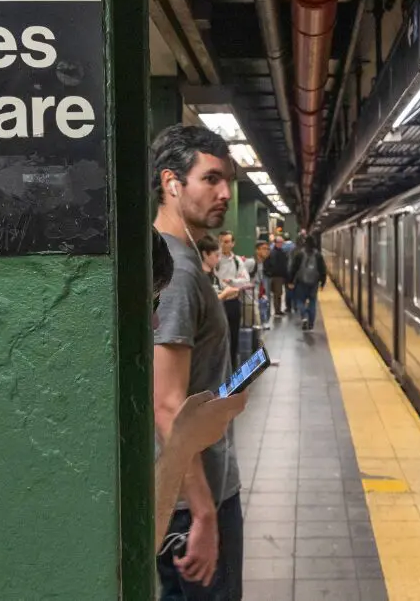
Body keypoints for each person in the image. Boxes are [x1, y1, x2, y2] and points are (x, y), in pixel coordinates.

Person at [151, 124, 245, 601]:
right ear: (172, 183)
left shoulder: (174, 260)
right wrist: (205, 512)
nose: (225, 192)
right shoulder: (180, 273)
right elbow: (166, 405)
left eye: (226, 180)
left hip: (190, 491)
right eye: (211, 179)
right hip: (195, 500)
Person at [213, 231, 250, 365]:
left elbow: (245, 280)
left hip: (233, 301)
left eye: (228, 241)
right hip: (218, 301)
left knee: (234, 334)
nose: (226, 244)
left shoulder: (237, 261)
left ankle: (232, 362)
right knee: (218, 335)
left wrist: (232, 282)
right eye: (223, 241)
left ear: (233, 243)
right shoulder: (215, 259)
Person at [288, 235, 328, 331]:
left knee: (300, 301)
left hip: (301, 282)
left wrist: (290, 281)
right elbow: (323, 270)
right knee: (312, 302)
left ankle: (304, 316)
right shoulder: (318, 255)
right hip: (314, 283)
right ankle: (311, 324)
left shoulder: (300, 254)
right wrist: (323, 283)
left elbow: (293, 268)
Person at [245, 240, 272, 330]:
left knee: (257, 328)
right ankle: (258, 344)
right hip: (249, 298)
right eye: (264, 249)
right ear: (257, 250)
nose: (267, 251)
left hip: (256, 296)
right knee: (256, 326)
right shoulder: (251, 262)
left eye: (268, 249)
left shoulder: (261, 263)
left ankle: (258, 344)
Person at [263, 234, 290, 318]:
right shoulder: (271, 252)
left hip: (279, 276)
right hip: (273, 276)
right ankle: (271, 311)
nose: (281, 244)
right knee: (272, 294)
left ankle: (277, 310)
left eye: (282, 242)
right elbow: (266, 263)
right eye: (279, 242)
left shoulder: (282, 252)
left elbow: (284, 265)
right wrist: (268, 272)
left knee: (277, 294)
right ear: (275, 243)